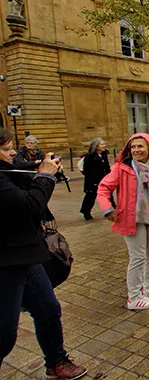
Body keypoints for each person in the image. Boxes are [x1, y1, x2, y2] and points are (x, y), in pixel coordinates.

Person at [0, 128, 88, 379]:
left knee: (48, 309)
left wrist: (41, 166)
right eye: (6, 149)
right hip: (6, 264)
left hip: (26, 258)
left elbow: (19, 174)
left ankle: (56, 361)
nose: (13, 152)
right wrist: (46, 177)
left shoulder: (6, 170)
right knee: (4, 333)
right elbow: (29, 205)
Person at [97, 134, 149, 310]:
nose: (137, 150)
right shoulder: (122, 168)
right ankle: (134, 297)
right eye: (133, 147)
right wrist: (108, 209)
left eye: (140, 146)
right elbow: (103, 188)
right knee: (138, 257)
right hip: (132, 218)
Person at [80, 138, 111, 221]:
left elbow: (107, 167)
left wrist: (109, 176)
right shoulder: (89, 157)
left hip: (104, 179)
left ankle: (112, 209)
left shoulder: (104, 155)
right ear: (96, 146)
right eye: (102, 144)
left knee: (108, 195)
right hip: (93, 181)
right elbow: (87, 170)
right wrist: (93, 181)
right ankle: (86, 212)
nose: (104, 146)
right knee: (90, 197)